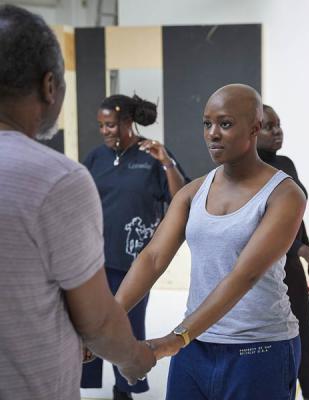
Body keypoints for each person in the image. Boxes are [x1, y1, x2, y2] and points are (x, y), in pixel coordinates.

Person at [0, 5, 155, 400]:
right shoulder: (57, 179)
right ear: (50, 85)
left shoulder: (150, 156)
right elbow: (99, 321)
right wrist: (134, 358)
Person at [115, 83, 307, 400]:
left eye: (225, 124)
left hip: (258, 348)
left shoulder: (284, 194)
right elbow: (152, 258)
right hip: (196, 347)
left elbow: (244, 275)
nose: (213, 133)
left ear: (255, 128)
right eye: (208, 123)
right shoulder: (193, 193)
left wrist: (172, 340)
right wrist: (109, 318)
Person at [81, 93, 189, 400]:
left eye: (111, 124)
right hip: (94, 258)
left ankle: (124, 387)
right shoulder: (95, 158)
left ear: (128, 122)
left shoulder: (153, 155)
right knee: (90, 320)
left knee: (127, 323)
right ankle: (85, 380)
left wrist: (166, 162)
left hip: (134, 260)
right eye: (101, 125)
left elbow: (180, 197)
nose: (105, 131)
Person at [257, 104, 309, 400]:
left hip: (290, 267)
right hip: (264, 272)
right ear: (252, 132)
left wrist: (308, 254)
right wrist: (304, 251)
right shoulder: (250, 172)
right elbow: (262, 228)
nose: (277, 131)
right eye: (269, 126)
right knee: (276, 341)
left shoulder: (286, 164)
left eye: (279, 124)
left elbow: (295, 218)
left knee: (304, 337)